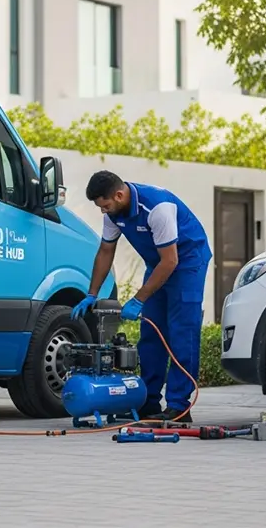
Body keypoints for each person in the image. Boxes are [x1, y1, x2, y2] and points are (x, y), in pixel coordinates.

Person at [71, 170, 212, 422]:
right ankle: (148, 402)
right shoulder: (114, 213)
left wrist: (138, 299)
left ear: (119, 194)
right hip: (158, 263)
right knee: (151, 334)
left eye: (105, 205)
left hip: (187, 261)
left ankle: (179, 406)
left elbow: (171, 261)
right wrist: (91, 294)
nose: (103, 211)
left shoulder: (158, 208)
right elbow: (105, 251)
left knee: (181, 332)